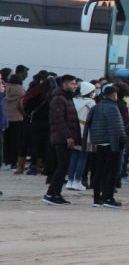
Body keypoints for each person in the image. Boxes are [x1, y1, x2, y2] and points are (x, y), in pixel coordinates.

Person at [83, 85, 126, 208]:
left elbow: (87, 125)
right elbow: (117, 128)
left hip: (98, 143)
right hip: (111, 143)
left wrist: (88, 142)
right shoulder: (113, 108)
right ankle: (108, 198)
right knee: (113, 172)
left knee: (99, 171)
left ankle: (97, 199)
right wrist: (122, 143)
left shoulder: (96, 107)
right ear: (113, 95)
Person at [43, 75, 79, 206]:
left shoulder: (66, 98)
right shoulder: (59, 98)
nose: (75, 86)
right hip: (61, 138)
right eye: (72, 84)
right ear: (64, 84)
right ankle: (50, 194)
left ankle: (56, 193)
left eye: (75, 84)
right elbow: (58, 120)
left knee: (64, 167)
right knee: (62, 166)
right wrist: (68, 136)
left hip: (65, 138)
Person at [66, 82, 96, 191]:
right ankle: (77, 180)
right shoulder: (91, 103)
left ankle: (70, 180)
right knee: (83, 156)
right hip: (86, 131)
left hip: (74, 130)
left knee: (74, 156)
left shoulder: (73, 100)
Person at [4, 74, 24, 172]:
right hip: (18, 118)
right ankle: (13, 162)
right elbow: (22, 105)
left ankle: (6, 161)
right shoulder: (21, 90)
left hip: (6, 117)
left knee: (6, 140)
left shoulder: (5, 89)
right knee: (16, 141)